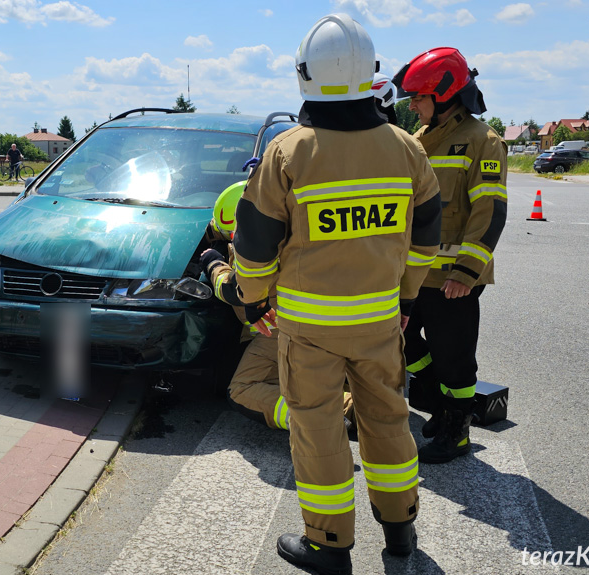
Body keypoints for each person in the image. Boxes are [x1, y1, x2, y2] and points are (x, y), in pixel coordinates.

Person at [232, 14, 442, 575]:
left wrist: (250, 298)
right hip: (380, 323)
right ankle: (400, 531)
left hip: (309, 332)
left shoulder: (287, 153)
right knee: (388, 422)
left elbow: (254, 248)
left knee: (319, 430)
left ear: (304, 75)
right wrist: (405, 298)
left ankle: (329, 546)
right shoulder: (406, 149)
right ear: (368, 74)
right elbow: (426, 237)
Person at [392, 47, 507, 464]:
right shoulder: (417, 141)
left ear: (444, 95)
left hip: (454, 281)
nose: (413, 105)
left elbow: (490, 211)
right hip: (413, 276)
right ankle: (440, 409)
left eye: (419, 98)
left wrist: (467, 271)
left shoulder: (482, 140)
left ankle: (456, 432)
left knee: (455, 361)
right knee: (400, 341)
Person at [199, 182, 357, 434]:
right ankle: (356, 408)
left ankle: (318, 419)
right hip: (325, 323)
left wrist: (213, 263)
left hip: (278, 330)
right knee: (284, 380)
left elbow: (235, 290)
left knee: (242, 390)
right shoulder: (289, 227)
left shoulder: (256, 251)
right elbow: (218, 228)